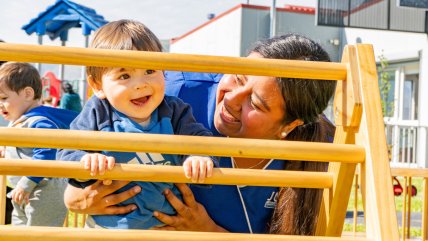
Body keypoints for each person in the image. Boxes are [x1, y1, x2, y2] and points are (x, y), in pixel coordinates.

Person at [63, 33, 336, 235]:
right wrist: (78, 197)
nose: (231, 98)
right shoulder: (172, 96)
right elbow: (84, 153)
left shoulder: (316, 149)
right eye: (238, 77)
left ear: (288, 126)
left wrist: (208, 231)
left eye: (255, 104)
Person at [57, 19, 215, 230]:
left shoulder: (174, 110)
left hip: (164, 228)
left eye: (150, 71)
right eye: (124, 75)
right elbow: (67, 150)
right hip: (108, 230)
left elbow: (199, 138)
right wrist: (86, 159)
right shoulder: (98, 112)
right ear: (97, 86)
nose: (141, 84)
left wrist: (199, 156)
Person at [0, 62, 78, 226]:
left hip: (44, 189)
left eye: (4, 98)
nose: (0, 104)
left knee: (39, 232)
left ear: (28, 94)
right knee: (20, 232)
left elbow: (47, 152)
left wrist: (26, 183)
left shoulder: (39, 121)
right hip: (23, 189)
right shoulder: (19, 120)